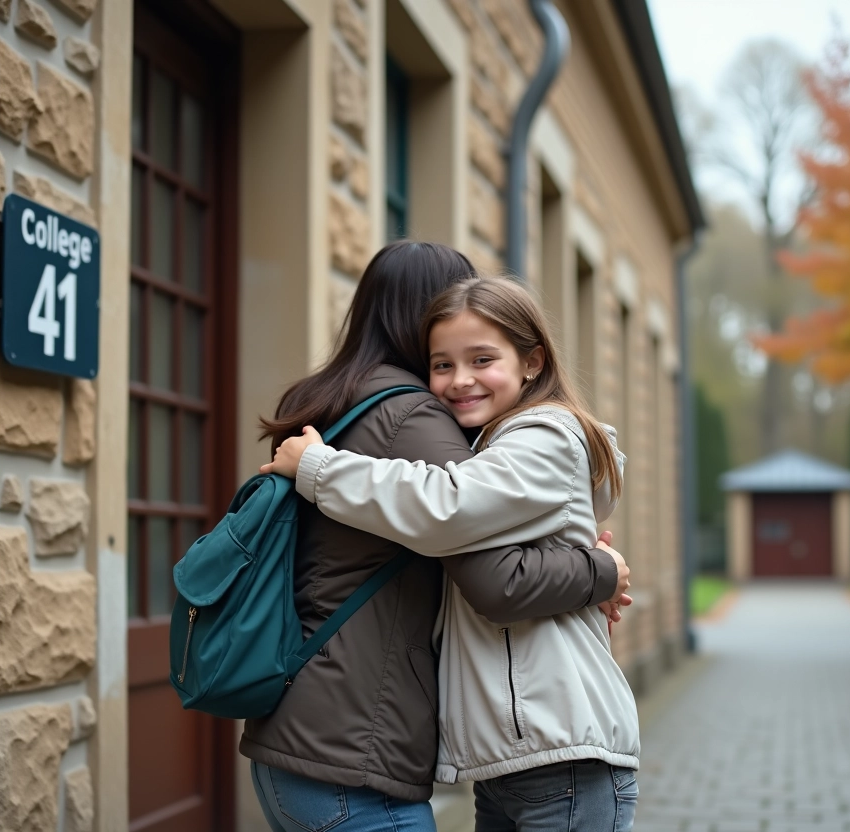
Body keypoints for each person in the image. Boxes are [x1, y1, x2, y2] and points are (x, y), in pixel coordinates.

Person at [243, 243, 632, 832]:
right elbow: (486, 564)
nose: (458, 379)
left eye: (482, 357)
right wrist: (598, 571)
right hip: (364, 748)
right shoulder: (414, 416)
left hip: (326, 731)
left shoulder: (328, 403)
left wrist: (593, 567)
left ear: (531, 361)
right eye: (442, 361)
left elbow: (453, 513)